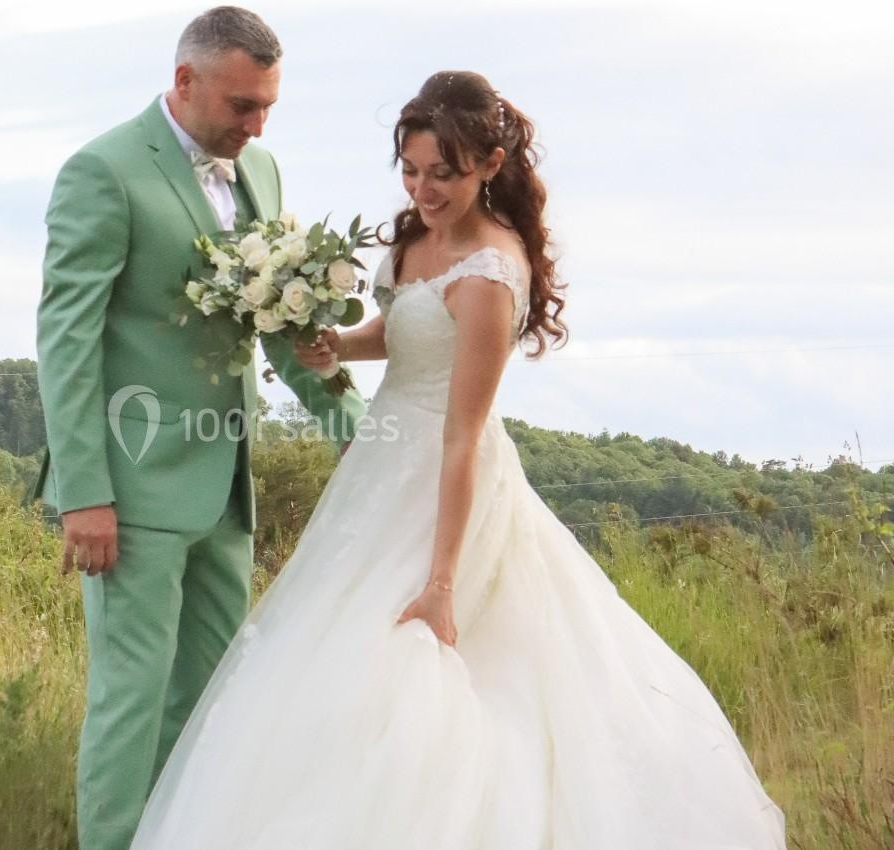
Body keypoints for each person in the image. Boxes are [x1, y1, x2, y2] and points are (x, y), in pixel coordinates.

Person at [128, 71, 788, 849]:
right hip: (379, 475)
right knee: (320, 663)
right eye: (411, 170)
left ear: (489, 164)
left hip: (448, 485)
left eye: (443, 173)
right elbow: (405, 329)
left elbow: (462, 434)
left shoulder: (490, 276)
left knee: (419, 671)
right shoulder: (413, 238)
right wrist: (337, 342)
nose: (424, 189)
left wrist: (442, 582)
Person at [33, 7, 367, 850]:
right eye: (240, 106)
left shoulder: (263, 171)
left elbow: (280, 323)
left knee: (217, 698)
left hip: (226, 488)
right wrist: (85, 495)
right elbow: (66, 343)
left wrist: (350, 422)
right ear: (185, 82)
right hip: (131, 491)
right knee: (131, 698)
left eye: (266, 109)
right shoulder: (102, 172)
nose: (254, 126)